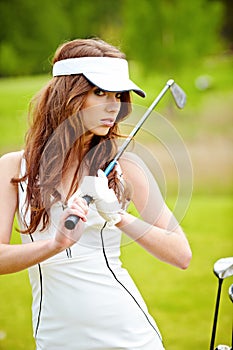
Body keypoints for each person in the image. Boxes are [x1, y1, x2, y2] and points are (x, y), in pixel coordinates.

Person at [0, 38, 192, 350]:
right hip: (55, 337)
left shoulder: (126, 166)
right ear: (68, 95)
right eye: (100, 92)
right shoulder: (13, 168)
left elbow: (181, 254)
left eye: (118, 94)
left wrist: (118, 216)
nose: (113, 105)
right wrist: (55, 244)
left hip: (130, 336)